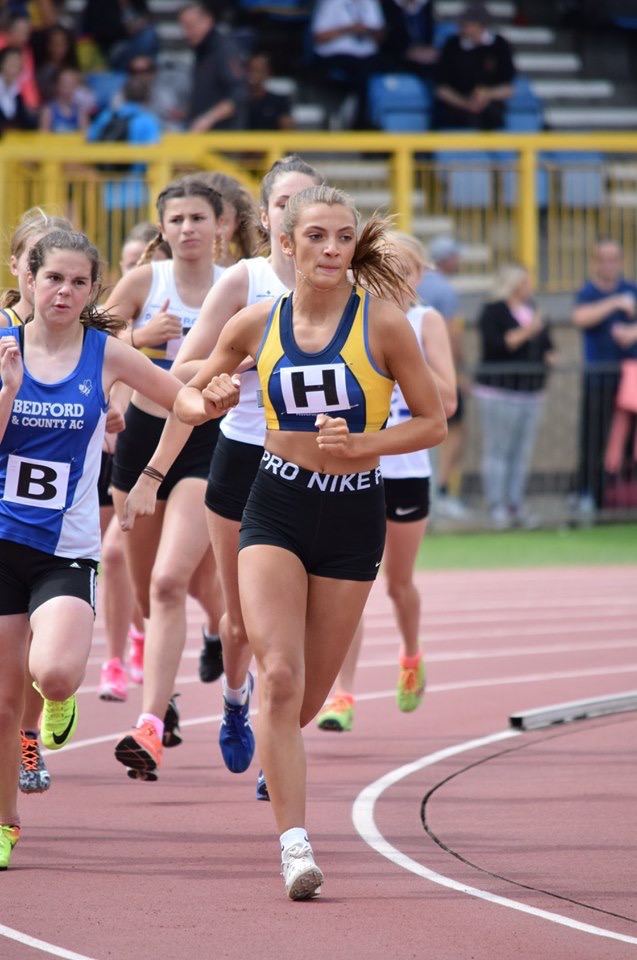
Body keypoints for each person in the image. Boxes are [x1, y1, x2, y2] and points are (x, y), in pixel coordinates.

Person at [174, 184, 447, 899]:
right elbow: (188, 391)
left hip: (353, 517)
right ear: (286, 244)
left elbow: (433, 422)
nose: (331, 249)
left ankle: (271, 741)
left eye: (343, 237)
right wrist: (208, 398)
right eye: (317, 236)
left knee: (301, 703)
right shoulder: (255, 322)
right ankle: (295, 846)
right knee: (280, 676)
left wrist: (364, 444)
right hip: (277, 507)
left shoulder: (383, 324)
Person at [0, 228, 196, 870]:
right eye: (53, 278)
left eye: (78, 281)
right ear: (29, 280)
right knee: (3, 702)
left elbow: (183, 402)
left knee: (53, 671)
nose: (64, 291)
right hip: (2, 538)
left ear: (92, 291)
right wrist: (7, 393)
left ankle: (59, 697)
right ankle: (6, 821)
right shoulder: (3, 345)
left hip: (66, 546)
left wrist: (153, 474)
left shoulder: (106, 353)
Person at [123, 156, 323, 781]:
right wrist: (235, 367)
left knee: (299, 624)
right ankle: (236, 701)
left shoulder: (350, 288)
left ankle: (276, 747)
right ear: (265, 217)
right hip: (241, 457)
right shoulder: (245, 280)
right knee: (240, 623)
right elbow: (182, 372)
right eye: (285, 203)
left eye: (308, 202)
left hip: (317, 463)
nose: (297, 215)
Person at [106, 176, 227, 780]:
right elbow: (86, 342)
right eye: (176, 219)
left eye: (198, 217)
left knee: (170, 580)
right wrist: (140, 338)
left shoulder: (236, 285)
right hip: (139, 439)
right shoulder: (142, 282)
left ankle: (148, 724)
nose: (187, 228)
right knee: (147, 586)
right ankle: (173, 691)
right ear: (162, 228)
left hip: (206, 443)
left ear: (220, 225)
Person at [316, 231, 456, 733]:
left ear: (419, 277)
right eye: (385, 268)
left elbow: (448, 401)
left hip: (406, 473)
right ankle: (341, 695)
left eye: (406, 270)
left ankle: (411, 653)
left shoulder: (424, 321)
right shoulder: (351, 319)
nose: (394, 279)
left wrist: (403, 355)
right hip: (355, 470)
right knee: (348, 586)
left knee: (397, 584)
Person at [0, 206, 72, 796]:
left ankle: (29, 736)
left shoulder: (80, 333)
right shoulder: (4, 333)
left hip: (56, 517)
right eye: (38, 261)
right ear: (20, 268)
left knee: (35, 648)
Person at [97, 221, 170, 703]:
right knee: (112, 553)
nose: (135, 272)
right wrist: (142, 334)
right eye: (128, 265)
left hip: (174, 439)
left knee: (160, 569)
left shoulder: (183, 309)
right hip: (115, 442)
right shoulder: (118, 320)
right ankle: (115, 659)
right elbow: (107, 354)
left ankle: (146, 635)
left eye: (143, 265)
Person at [474, 264, 556, 530]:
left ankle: (515, 503)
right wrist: (529, 330)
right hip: (499, 391)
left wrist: (549, 355)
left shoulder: (534, 309)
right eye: (523, 283)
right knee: (499, 450)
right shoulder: (493, 311)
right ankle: (496, 504)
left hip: (531, 392)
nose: (528, 287)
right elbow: (498, 346)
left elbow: (547, 343)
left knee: (522, 452)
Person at [572, 239, 637, 515]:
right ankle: (589, 493)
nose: (609, 264)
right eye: (604, 259)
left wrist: (632, 333)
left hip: (630, 380)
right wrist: (614, 303)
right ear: (595, 262)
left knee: (628, 441)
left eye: (614, 259)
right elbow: (580, 318)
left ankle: (624, 493)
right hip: (598, 378)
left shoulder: (632, 289)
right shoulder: (588, 292)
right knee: (593, 437)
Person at [417, 235, 469, 519]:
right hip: (436, 371)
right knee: (452, 430)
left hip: (409, 373)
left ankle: (431, 493)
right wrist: (459, 370)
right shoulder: (444, 289)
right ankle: (441, 490)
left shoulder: (417, 284)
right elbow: (451, 334)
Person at [432, 2, 515, 130]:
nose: (462, 28)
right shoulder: (452, 45)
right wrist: (465, 103)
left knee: (490, 115)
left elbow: (508, 88)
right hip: (456, 106)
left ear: (480, 25)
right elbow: (441, 89)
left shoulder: (499, 45)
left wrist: (486, 94)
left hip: (489, 107)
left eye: (466, 24)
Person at [310, 0, 387, 130]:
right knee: (360, 71)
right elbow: (319, 36)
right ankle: (360, 121)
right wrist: (347, 29)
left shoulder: (370, 3)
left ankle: (377, 118)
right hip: (336, 54)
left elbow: (381, 35)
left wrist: (368, 30)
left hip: (367, 55)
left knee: (381, 67)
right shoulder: (331, 3)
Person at [177, 1, 247, 132]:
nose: (186, 34)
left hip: (223, 137)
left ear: (207, 20)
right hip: (202, 136)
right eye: (184, 27)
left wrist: (209, 118)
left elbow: (238, 94)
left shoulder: (225, 49)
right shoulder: (201, 51)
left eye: (190, 26)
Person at [381, 0, 438, 78]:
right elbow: (385, 40)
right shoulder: (388, 6)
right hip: (397, 57)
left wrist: (426, 50)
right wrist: (407, 52)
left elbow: (429, 34)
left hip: (424, 55)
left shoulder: (426, 6)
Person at [245, 51, 293, 131]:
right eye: (250, 70)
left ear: (267, 73)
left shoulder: (279, 102)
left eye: (258, 70)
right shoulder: (238, 102)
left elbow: (288, 132)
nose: (253, 75)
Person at [38, 66, 92, 132]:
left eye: (71, 84)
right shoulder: (48, 111)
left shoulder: (81, 112)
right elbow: (43, 136)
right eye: (64, 84)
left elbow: (86, 135)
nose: (68, 88)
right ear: (57, 85)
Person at [0, 45, 37, 130]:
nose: (15, 70)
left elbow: (24, 123)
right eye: (12, 65)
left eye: (19, 66)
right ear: (1, 64)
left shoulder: (17, 94)